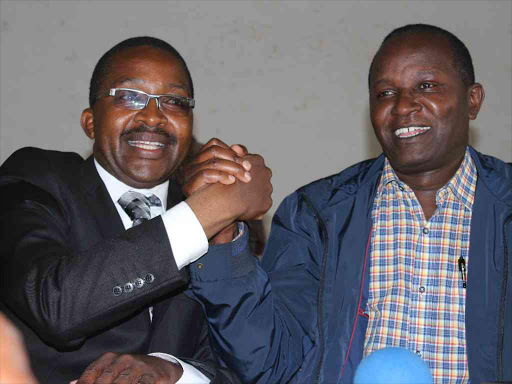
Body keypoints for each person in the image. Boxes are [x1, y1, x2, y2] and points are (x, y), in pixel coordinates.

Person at [185, 24, 512, 383]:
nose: (403, 106)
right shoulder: (317, 215)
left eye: (426, 86)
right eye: (385, 92)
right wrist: (223, 237)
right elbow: (270, 361)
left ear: (473, 99)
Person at [0, 36, 272, 384]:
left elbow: (249, 367)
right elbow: (55, 304)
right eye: (130, 96)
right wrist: (208, 211)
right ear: (90, 122)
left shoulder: (208, 217)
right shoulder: (37, 179)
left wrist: (174, 371)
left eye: (174, 101)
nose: (154, 117)